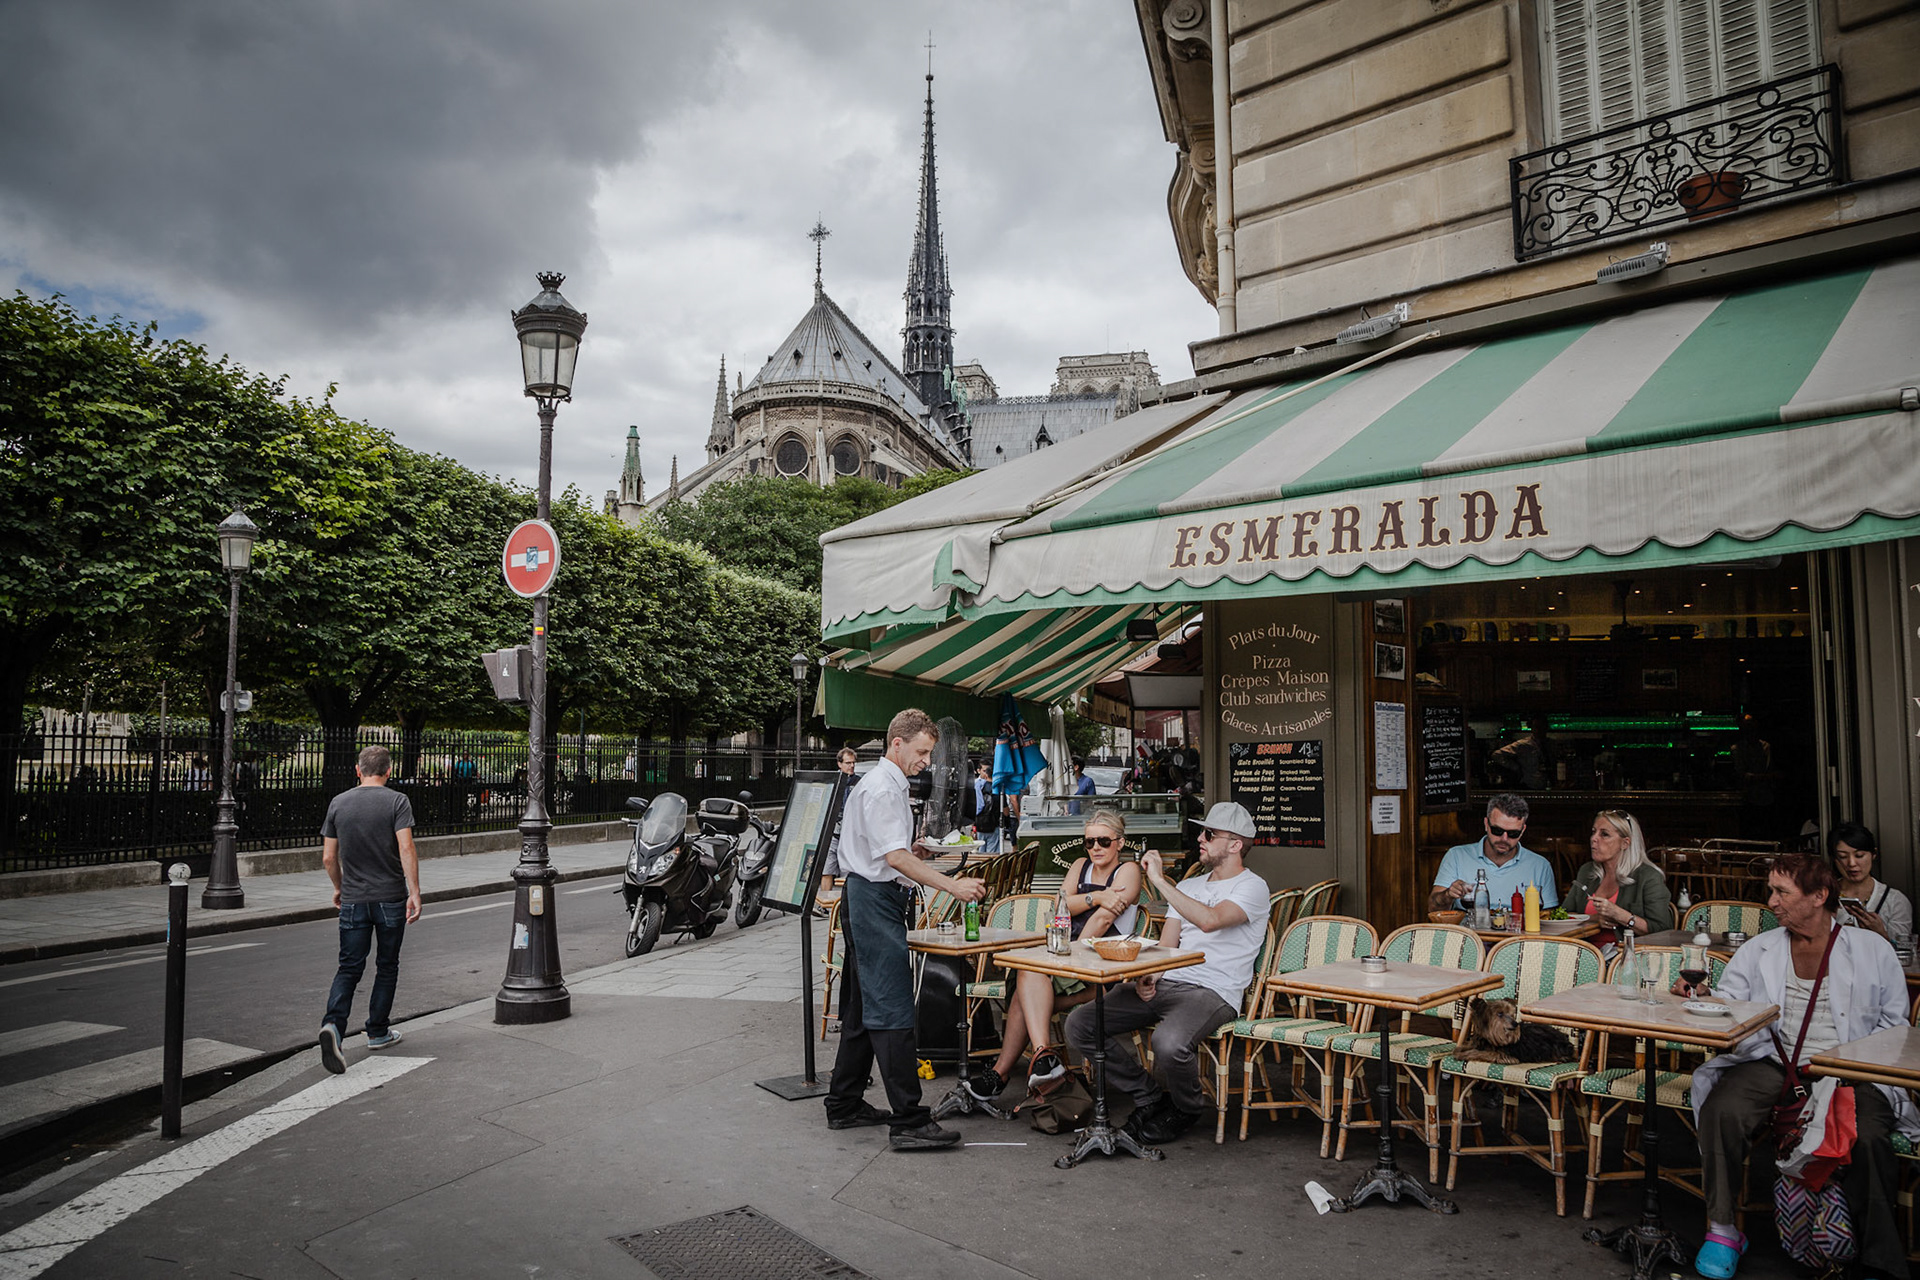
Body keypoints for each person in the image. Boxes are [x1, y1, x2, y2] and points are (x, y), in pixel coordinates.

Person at [1685, 853, 1917, 1280]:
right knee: (1723, 1110)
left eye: (1781, 892)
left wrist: (1849, 1069)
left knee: (1867, 1140)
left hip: (1855, 1071)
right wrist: (1704, 999)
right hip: (1774, 1062)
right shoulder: (1759, 950)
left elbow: (1894, 1026)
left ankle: (1878, 1258)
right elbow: (1735, 1009)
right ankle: (1722, 1230)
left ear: (1819, 896)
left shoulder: (1872, 949)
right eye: (1771, 889)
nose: (1771, 901)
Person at [823, 709, 987, 1151]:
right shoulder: (882, 789)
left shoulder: (881, 785)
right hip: (875, 902)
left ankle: (844, 1103)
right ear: (897, 743)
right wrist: (952, 883)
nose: (926, 761)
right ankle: (909, 1120)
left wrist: (913, 851)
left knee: (861, 1007)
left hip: (867, 897)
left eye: (928, 753)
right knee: (892, 1006)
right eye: (922, 751)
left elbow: (891, 852)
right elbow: (893, 861)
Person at [1065, 801, 1270, 1145]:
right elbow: (1168, 946)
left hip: (1213, 989)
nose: (1200, 838)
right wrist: (1150, 974)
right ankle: (1149, 1095)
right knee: (1081, 1024)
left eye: (1209, 833)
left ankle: (1186, 1108)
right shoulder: (1189, 887)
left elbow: (1209, 920)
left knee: (1168, 1043)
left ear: (1235, 845)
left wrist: (1158, 879)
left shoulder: (1252, 887)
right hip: (1168, 981)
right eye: (1201, 832)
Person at [971, 809, 1142, 1102]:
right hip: (1066, 958)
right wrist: (1097, 896)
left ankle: (1005, 1071)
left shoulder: (1128, 871)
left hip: (1102, 965)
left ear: (1120, 843)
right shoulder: (1080, 865)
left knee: (1025, 991)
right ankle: (1043, 1058)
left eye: (1103, 841)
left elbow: (1101, 921)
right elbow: (1059, 906)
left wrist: (1077, 948)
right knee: (1028, 976)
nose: (1095, 848)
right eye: (1089, 842)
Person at [317, 745, 423, 1075]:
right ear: (388, 771)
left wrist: (339, 887)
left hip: (352, 899)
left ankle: (333, 1025)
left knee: (349, 966)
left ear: (358, 770)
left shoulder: (339, 803)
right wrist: (415, 891)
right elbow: (406, 847)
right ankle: (377, 1031)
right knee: (387, 964)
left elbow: (328, 858)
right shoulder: (396, 801)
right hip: (390, 897)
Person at [1562, 809, 1672, 954]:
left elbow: (1663, 930)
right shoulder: (1587, 872)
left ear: (1625, 843)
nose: (1594, 838)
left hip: (1628, 957)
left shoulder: (1648, 877)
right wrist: (1593, 919)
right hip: (1583, 956)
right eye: (1594, 832)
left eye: (1604, 834)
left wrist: (1620, 915)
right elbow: (1563, 915)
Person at [1430, 794, 1559, 914]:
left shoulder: (1540, 865)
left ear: (1522, 830)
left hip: (1520, 936)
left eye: (1513, 833)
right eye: (1497, 830)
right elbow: (1433, 909)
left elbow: (1548, 918)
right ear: (1486, 824)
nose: (1504, 838)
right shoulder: (1456, 856)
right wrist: (1447, 895)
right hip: (1469, 935)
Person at [1831, 821, 1912, 945]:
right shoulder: (1823, 896)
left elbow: (1903, 954)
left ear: (1873, 854)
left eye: (1859, 855)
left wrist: (1881, 934)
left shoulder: (1895, 901)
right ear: (1835, 859)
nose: (1851, 863)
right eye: (1843, 856)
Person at [816, 747, 860, 908]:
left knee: (848, 872)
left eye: (853, 763)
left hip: (850, 834)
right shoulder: (832, 781)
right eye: (848, 763)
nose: (851, 766)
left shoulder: (858, 782)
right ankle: (824, 905)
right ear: (839, 764)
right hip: (833, 831)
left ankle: (844, 906)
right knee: (827, 869)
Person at [1488, 721, 1549, 790]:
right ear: (1532, 728)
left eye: (1542, 727)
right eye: (1537, 727)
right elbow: (1496, 755)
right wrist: (1515, 767)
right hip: (1529, 785)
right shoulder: (1523, 744)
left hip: (1547, 784)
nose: (1540, 730)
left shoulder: (1550, 744)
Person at [961, 760, 1001, 853]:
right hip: (986, 822)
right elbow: (979, 805)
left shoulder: (979, 785)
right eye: (984, 770)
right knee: (989, 849)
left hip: (982, 821)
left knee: (982, 847)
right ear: (979, 770)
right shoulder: (977, 785)